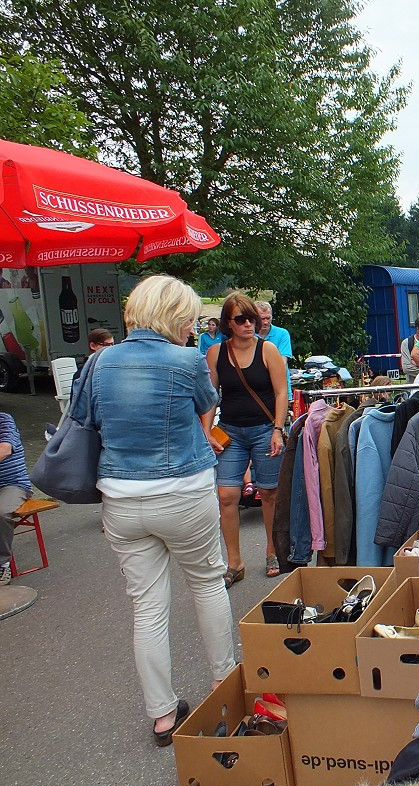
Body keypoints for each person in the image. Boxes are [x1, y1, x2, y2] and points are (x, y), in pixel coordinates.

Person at [73, 274, 235, 746]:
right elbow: (207, 406)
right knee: (207, 584)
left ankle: (163, 716)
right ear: (173, 317)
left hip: (121, 498)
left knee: (147, 606)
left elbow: (87, 419)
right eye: (187, 319)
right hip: (182, 490)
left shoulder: (100, 362)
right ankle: (224, 683)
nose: (191, 327)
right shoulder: (185, 360)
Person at [206, 293, 289, 586]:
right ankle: (235, 561)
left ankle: (272, 550)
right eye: (241, 319)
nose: (248, 324)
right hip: (231, 431)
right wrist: (207, 431)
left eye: (251, 318)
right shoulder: (216, 353)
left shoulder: (267, 351)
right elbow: (210, 397)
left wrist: (278, 429)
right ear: (228, 322)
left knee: (269, 493)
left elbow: (282, 393)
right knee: (227, 496)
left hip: (265, 429)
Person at [0, 412, 31, 586]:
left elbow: (4, 450)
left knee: (1, 512)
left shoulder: (4, 420)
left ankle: (2, 564)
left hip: (13, 484)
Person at [255, 301, 294, 399]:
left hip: (280, 391)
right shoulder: (248, 335)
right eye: (262, 319)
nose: (265, 322)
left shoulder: (282, 334)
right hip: (256, 393)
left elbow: (281, 364)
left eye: (268, 318)